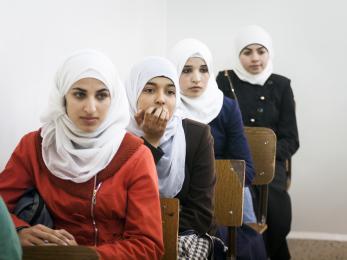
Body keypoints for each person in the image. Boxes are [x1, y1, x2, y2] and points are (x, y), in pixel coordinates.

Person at [0, 49, 163, 260]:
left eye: (102, 95)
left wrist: (84, 256)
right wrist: (18, 231)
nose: (90, 108)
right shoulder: (36, 146)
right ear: (63, 98)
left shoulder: (135, 156)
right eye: (79, 94)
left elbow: (148, 246)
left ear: (113, 99)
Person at [170, 38, 267, 260]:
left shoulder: (227, 107)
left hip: (226, 193)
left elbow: (247, 170)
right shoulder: (167, 108)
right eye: (186, 70)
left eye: (204, 70)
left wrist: (206, 179)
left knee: (240, 244)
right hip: (180, 197)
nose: (197, 78)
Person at [216, 25, 300, 260]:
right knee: (230, 209)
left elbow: (291, 139)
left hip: (271, 164)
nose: (255, 58)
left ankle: (267, 251)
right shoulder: (224, 80)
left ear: (269, 53)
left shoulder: (281, 85)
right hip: (234, 162)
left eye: (261, 51)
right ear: (237, 55)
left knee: (277, 217)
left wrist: (265, 158)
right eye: (247, 52)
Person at [125, 56, 216, 259]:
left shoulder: (198, 135)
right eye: (149, 90)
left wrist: (159, 228)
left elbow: (201, 214)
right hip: (129, 235)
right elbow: (120, 206)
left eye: (170, 92)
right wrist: (150, 141)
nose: (161, 99)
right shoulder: (118, 137)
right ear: (132, 93)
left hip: (184, 234)